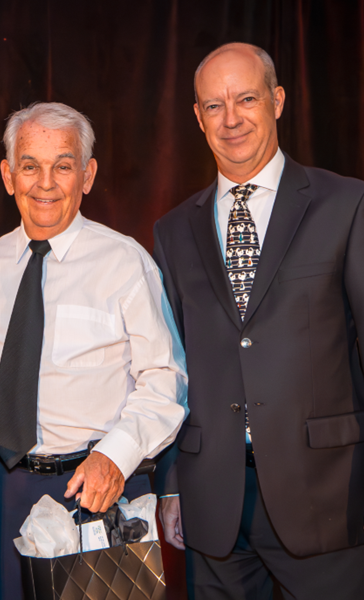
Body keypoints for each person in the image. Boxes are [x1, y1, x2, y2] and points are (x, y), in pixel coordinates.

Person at [153, 42, 364, 598]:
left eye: (246, 98)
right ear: (198, 117)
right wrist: (170, 484)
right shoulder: (173, 230)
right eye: (214, 105)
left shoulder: (347, 204)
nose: (231, 119)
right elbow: (169, 367)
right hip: (213, 503)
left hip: (327, 493)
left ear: (278, 100)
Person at [0, 101, 187, 599]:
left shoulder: (126, 262)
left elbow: (165, 379)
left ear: (87, 176)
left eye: (63, 166)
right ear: (7, 176)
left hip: (99, 487)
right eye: (29, 166)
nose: (45, 183)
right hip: (1, 490)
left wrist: (115, 457)